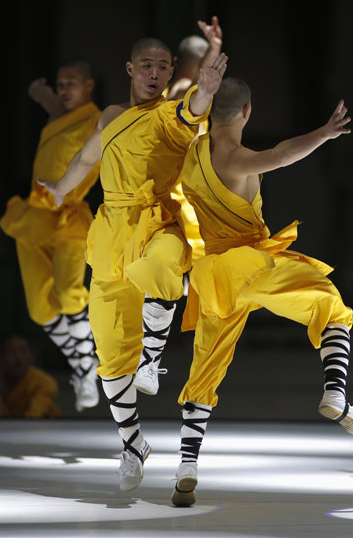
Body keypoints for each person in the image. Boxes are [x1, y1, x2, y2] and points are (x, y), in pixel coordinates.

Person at [37, 38, 228, 491]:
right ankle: (132, 445)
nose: (154, 73)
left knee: (163, 265)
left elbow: (191, 111)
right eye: (147, 65)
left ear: (170, 72)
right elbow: (87, 157)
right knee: (108, 353)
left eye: (162, 66)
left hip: (157, 219)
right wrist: (62, 189)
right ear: (130, 69)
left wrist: (204, 91)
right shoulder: (110, 116)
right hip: (110, 231)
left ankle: (152, 359)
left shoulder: (169, 112)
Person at [170, 78, 353, 507]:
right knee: (332, 306)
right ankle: (335, 391)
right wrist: (324, 133)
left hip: (212, 276)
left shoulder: (192, 153)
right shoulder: (235, 158)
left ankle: (187, 465)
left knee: (205, 367)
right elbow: (281, 154)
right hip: (249, 265)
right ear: (246, 111)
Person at [0, 61, 101, 412]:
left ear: (89, 85)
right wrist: (39, 91)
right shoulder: (59, 110)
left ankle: (85, 369)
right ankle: (83, 362)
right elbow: (50, 101)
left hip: (69, 217)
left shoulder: (99, 120)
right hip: (35, 216)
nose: (64, 89)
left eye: (71, 83)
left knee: (70, 295)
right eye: (60, 84)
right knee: (40, 309)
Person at [133, 16, 225, 397]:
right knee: (175, 275)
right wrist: (214, 49)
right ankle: (155, 355)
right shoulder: (182, 93)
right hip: (185, 195)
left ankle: (154, 354)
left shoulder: (179, 92)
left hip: (181, 194)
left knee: (174, 275)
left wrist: (213, 49)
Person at [0, 335, 61, 419]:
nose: (17, 356)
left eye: (22, 350)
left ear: (31, 356)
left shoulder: (45, 383)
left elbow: (33, 417)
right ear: (1, 358)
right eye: (11, 351)